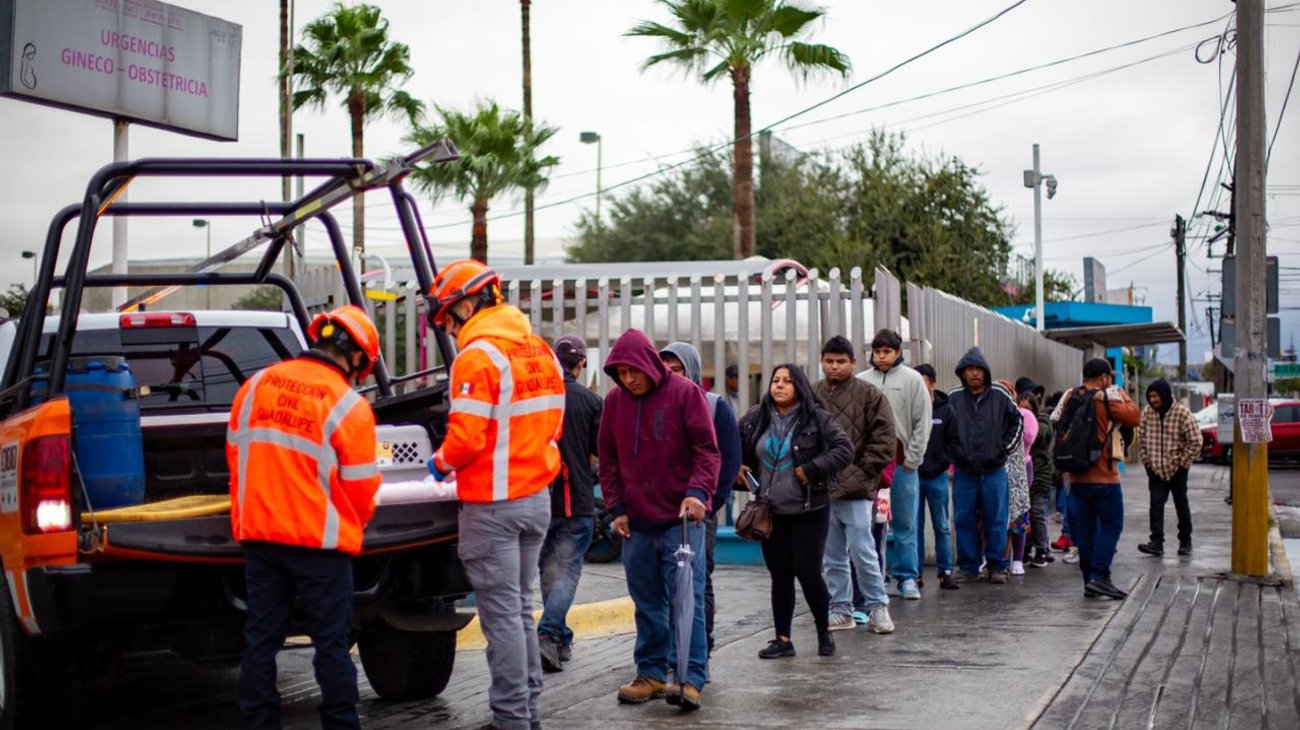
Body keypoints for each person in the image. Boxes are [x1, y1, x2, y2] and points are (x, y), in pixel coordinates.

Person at [228, 304, 383, 730]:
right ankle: (339, 723)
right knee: (330, 644)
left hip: (260, 537)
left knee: (261, 638)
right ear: (355, 357)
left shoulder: (255, 385)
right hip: (320, 544)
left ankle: (260, 723)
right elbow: (363, 489)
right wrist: (350, 523)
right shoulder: (347, 405)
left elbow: (238, 455)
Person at [426, 260, 565, 730]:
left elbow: (465, 440)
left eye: (447, 315)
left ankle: (511, 720)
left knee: (503, 618)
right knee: (520, 611)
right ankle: (526, 712)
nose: (446, 325)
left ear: (468, 303)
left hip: (493, 505)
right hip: (536, 499)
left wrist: (438, 463)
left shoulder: (478, 356)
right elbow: (553, 425)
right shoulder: (539, 349)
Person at [599, 329, 719, 711]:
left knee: (688, 600)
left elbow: (707, 451)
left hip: (680, 521)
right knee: (647, 601)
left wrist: (698, 493)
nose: (628, 379)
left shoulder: (685, 393)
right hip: (636, 523)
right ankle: (650, 672)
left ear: (649, 363)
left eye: (633, 370)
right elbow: (609, 459)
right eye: (620, 372)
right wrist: (616, 507)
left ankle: (689, 676)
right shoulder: (614, 402)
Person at [739, 364, 853, 660]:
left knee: (809, 572)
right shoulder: (755, 417)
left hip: (809, 509)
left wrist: (812, 469)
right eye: (775, 380)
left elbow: (844, 449)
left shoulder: (817, 417)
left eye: (787, 381)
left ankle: (823, 630)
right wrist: (738, 469)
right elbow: (735, 450)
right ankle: (783, 639)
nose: (779, 385)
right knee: (780, 575)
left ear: (799, 386)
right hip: (770, 512)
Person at [659, 342, 742, 654]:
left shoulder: (712, 405)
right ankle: (670, 648)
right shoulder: (653, 403)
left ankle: (699, 646)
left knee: (697, 579)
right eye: (665, 369)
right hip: (660, 511)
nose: (670, 376)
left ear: (691, 371)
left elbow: (728, 460)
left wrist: (708, 504)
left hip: (698, 512)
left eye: (677, 369)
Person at [813, 336, 897, 633]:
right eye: (829, 361)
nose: (834, 367)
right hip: (821, 489)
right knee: (832, 556)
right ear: (821, 361)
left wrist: (863, 474)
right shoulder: (812, 393)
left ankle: (878, 608)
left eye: (840, 361)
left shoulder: (870, 395)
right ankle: (841, 609)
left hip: (858, 491)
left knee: (864, 552)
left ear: (853, 363)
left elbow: (885, 440)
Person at [537, 335, 603, 672]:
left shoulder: (537, 397)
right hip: (575, 501)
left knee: (549, 571)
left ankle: (559, 638)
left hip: (536, 501)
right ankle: (549, 634)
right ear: (581, 364)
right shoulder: (591, 401)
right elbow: (603, 455)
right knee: (565, 573)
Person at [1057, 358, 1141, 600]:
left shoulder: (1070, 396)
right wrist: (1122, 395)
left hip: (1075, 477)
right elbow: (1134, 418)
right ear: (1104, 377)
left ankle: (1089, 582)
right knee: (1112, 525)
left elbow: (1056, 423)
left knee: (1084, 532)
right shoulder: (1106, 398)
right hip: (1104, 477)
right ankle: (1100, 576)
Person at [858, 328, 931, 600]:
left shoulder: (913, 380)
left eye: (887, 351)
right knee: (869, 525)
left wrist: (913, 459)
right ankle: (876, 578)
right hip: (870, 466)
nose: (881, 356)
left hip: (902, 466)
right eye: (877, 352)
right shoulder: (862, 381)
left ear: (898, 352)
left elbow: (923, 421)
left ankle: (907, 577)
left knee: (905, 523)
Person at [944, 347, 1023, 584]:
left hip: (994, 470)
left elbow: (1017, 422)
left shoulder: (1000, 395)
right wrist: (956, 454)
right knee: (963, 518)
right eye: (970, 370)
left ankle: (997, 567)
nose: (975, 374)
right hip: (964, 472)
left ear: (986, 372)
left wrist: (1003, 449)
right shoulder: (953, 398)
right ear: (962, 373)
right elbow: (945, 431)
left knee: (997, 519)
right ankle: (968, 566)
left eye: (979, 369)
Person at [1136, 379, 1201, 557]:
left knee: (1181, 504)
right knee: (1155, 504)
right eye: (1150, 396)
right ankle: (1156, 542)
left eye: (1156, 396)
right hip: (1155, 469)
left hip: (1177, 469)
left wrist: (1183, 464)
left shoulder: (1182, 413)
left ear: (1164, 394)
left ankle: (1185, 542)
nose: (1153, 399)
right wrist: (1148, 464)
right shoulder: (1147, 413)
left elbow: (1196, 441)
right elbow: (1141, 440)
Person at [914, 364, 959, 590]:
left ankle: (946, 572)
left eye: (922, 383)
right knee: (914, 527)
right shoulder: (910, 410)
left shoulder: (946, 411)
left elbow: (954, 444)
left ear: (933, 384)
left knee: (941, 526)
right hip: (913, 476)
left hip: (937, 478)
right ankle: (915, 574)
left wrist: (940, 464)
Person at [1000, 380, 1038, 576]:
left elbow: (1030, 437)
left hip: (1022, 468)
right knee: (998, 516)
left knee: (1019, 513)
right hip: (998, 470)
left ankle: (1018, 559)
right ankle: (999, 558)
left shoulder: (1025, 414)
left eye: (1006, 392)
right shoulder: (993, 414)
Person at [1021, 390, 1056, 568]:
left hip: (1040, 476)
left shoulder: (1042, 421)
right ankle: (1025, 549)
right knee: (1023, 514)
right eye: (1021, 408)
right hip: (1022, 475)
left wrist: (1026, 422)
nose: (1024, 412)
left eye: (1027, 409)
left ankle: (1042, 549)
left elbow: (1039, 434)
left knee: (1036, 513)